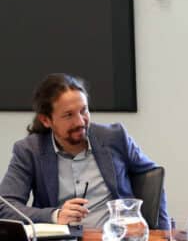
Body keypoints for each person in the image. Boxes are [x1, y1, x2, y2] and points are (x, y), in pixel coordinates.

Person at [0, 73, 169, 229]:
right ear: (46, 120)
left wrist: (164, 233)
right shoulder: (30, 150)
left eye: (83, 111)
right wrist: (54, 215)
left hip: (113, 236)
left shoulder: (115, 137)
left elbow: (152, 175)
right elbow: (5, 205)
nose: (80, 122)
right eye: (68, 115)